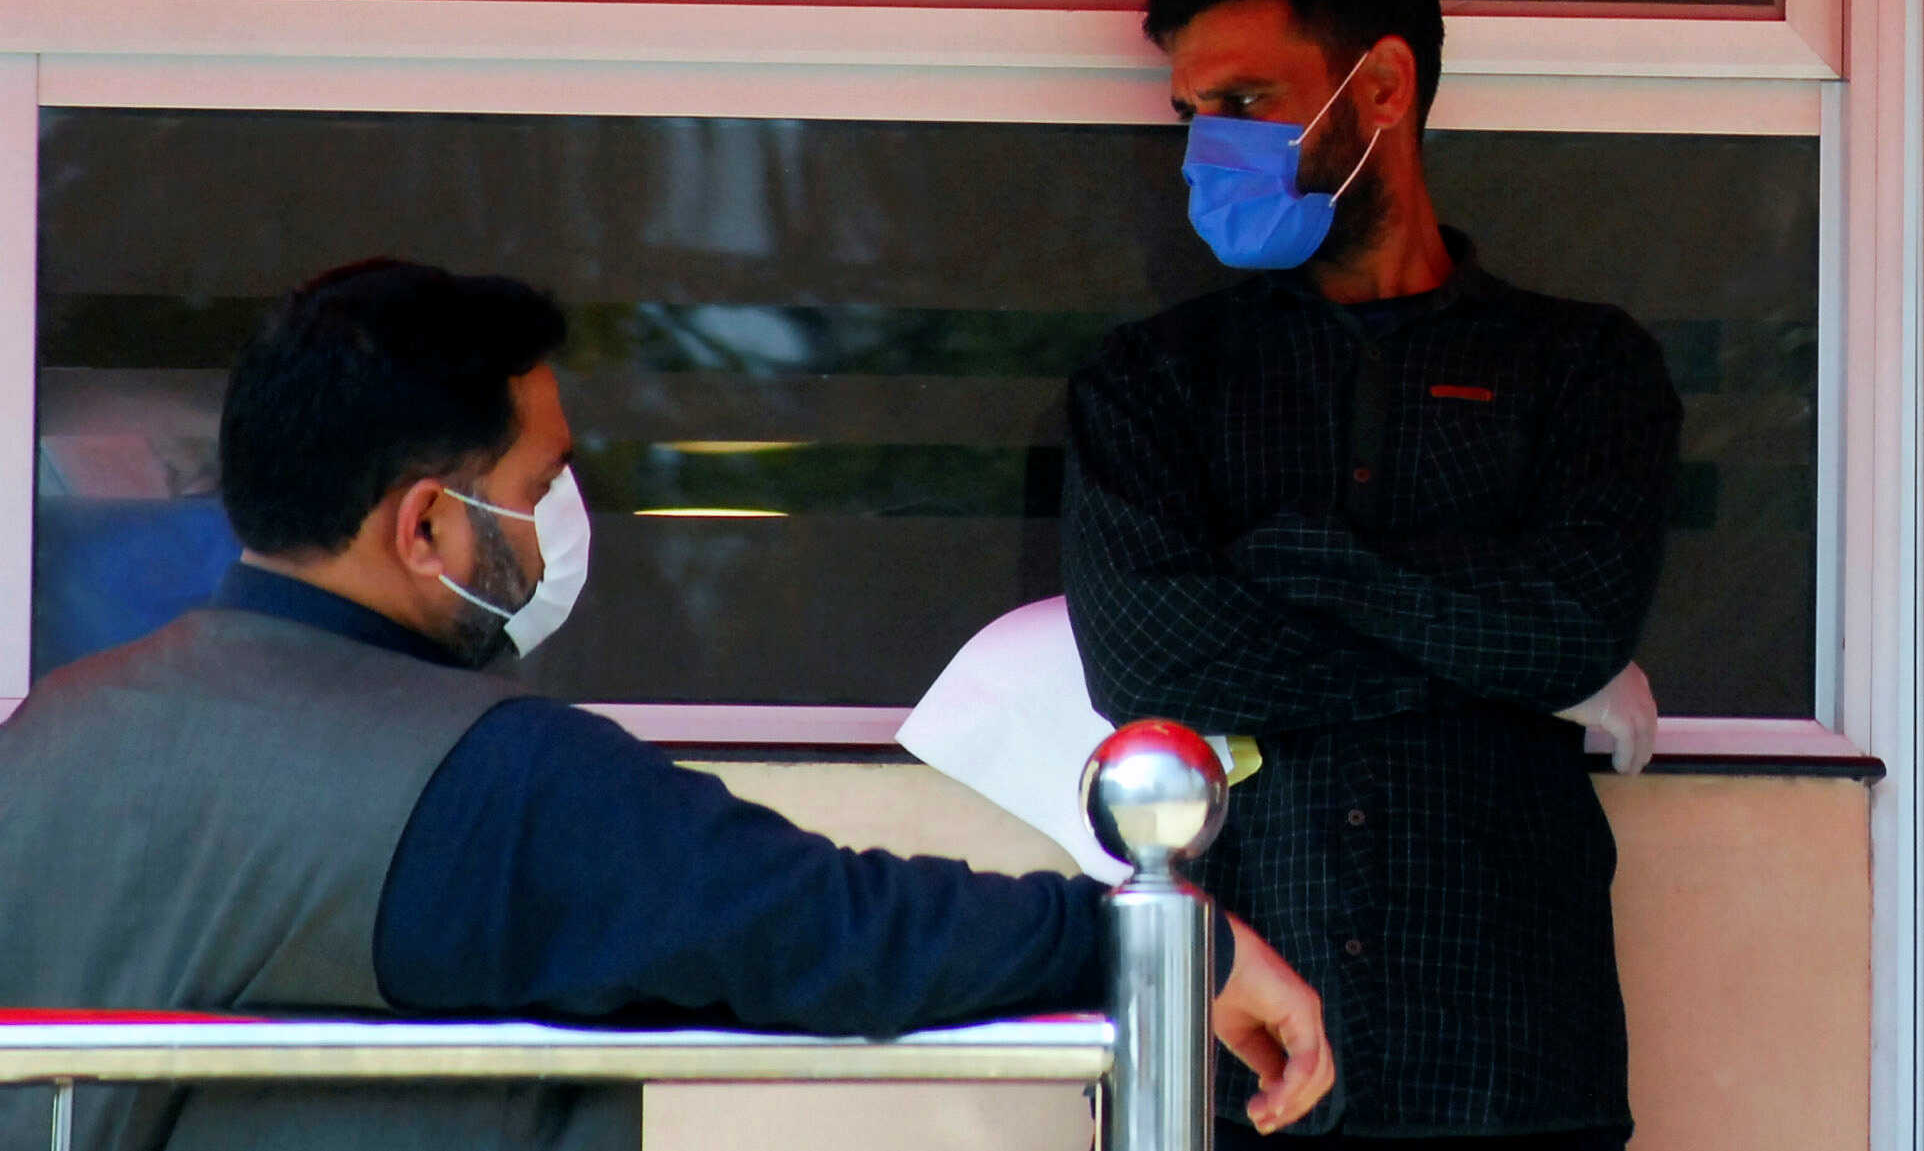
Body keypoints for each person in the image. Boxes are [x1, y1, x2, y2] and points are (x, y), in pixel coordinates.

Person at [0, 258, 1337, 1151]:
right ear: (424, 525)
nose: (563, 523)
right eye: (537, 484)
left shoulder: (48, 736)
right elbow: (831, 932)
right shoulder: (491, 776)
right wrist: (1163, 942)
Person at [1064, 0, 1684, 1151]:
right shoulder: (1152, 381)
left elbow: (1565, 634)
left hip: (1511, 1064)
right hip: (1231, 1074)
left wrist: (1304, 564)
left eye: (1244, 101)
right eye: (1192, 116)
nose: (1207, 147)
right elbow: (1149, 666)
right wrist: (1484, 646)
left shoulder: (1580, 366)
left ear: (1383, 84)